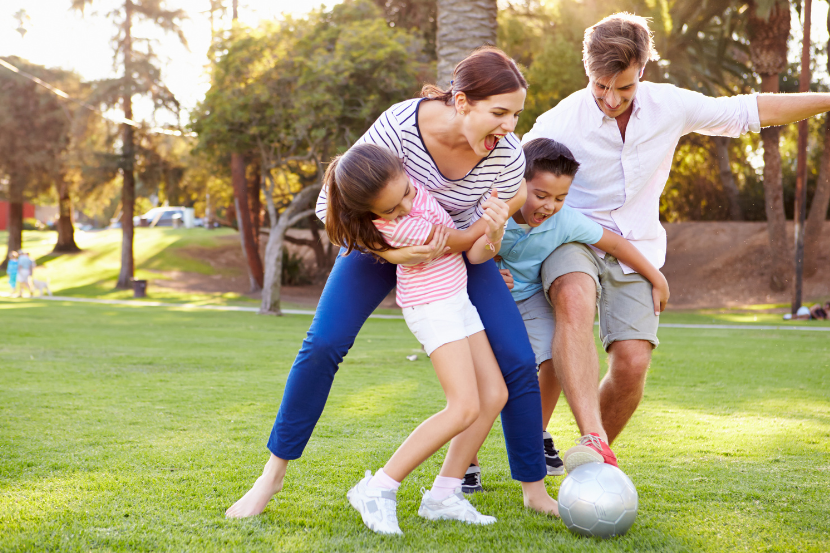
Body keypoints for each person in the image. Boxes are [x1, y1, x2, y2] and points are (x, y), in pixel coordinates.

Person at [227, 46, 559, 519]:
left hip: (456, 248)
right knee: (324, 343)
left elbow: (503, 210)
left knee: (517, 360)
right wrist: (393, 253)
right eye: (499, 113)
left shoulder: (503, 152)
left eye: (516, 114)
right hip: (376, 244)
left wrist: (496, 224)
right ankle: (272, 475)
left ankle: (530, 489)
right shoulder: (401, 126)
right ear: (462, 102)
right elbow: (330, 207)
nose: (510, 128)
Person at [522, 12, 830, 468]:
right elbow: (512, 181)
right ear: (587, 71)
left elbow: (752, 110)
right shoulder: (559, 122)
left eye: (623, 88)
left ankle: (590, 457)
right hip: (575, 239)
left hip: (639, 247)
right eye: (600, 85)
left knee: (631, 365)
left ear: (642, 71)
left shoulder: (671, 105)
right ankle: (588, 439)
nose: (610, 99)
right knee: (573, 297)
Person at [324, 143, 508, 535]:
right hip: (432, 306)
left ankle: (443, 494)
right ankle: (378, 487)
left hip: (457, 299)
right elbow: (458, 241)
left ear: (405, 172)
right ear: (372, 214)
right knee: (463, 407)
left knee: (494, 395)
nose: (406, 206)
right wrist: (496, 214)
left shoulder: (409, 185)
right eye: (390, 210)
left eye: (406, 193)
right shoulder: (401, 225)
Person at [495, 138, 668, 474]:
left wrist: (655, 277)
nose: (549, 206)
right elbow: (465, 248)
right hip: (492, 300)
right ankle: (466, 465)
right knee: (485, 382)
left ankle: (536, 435)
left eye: (560, 198)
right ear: (518, 183)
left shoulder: (565, 221)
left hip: (529, 298)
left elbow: (614, 243)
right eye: (541, 195)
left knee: (554, 357)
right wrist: (488, 272)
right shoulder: (495, 210)